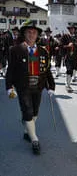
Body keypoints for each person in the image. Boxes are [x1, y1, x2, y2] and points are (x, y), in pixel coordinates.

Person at [5, 20, 55, 155]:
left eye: (34, 32)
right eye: (29, 32)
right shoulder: (15, 50)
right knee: (27, 111)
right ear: (24, 34)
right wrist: (9, 87)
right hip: (23, 86)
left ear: (37, 35)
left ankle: (27, 131)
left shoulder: (43, 51)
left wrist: (51, 86)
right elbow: (11, 70)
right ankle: (35, 139)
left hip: (38, 86)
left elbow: (47, 70)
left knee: (35, 113)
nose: (32, 34)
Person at [61, 24, 77, 92]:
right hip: (68, 56)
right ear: (69, 29)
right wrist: (67, 46)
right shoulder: (65, 36)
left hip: (75, 57)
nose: (72, 30)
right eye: (70, 29)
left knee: (73, 70)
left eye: (73, 29)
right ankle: (67, 85)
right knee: (69, 70)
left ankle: (68, 83)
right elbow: (61, 46)